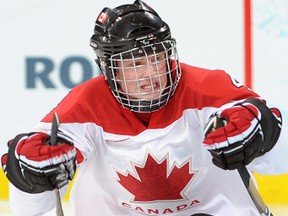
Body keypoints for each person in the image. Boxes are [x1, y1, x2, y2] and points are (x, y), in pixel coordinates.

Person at [1, 0, 288, 215]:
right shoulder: (84, 105)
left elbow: (280, 165)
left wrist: (261, 135)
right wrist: (30, 177)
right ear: (109, 69)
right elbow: (29, 210)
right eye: (135, 63)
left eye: (156, 58)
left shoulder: (209, 88)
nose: (150, 73)